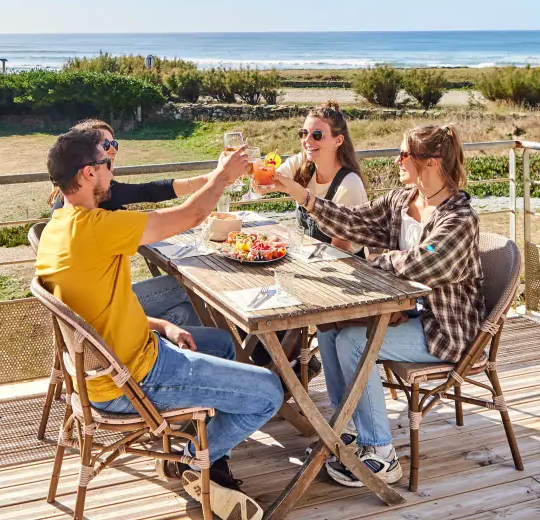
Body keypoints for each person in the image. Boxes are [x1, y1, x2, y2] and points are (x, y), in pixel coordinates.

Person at [36, 127, 284, 507]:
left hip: (117, 367)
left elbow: (95, 314)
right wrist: (222, 176)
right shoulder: (97, 227)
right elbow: (194, 213)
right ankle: (192, 460)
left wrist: (161, 324)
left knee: (220, 342)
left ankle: (211, 455)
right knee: (268, 391)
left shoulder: (57, 228)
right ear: (88, 173)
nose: (111, 173)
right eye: (106, 164)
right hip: (134, 382)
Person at [299, 123, 485, 487]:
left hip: (446, 331)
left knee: (355, 342)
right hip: (410, 313)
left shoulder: (460, 219)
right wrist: (304, 198)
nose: (397, 160)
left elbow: (423, 261)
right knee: (331, 328)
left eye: (403, 154)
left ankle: (381, 454)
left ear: (429, 162)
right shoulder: (403, 201)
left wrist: (374, 263)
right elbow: (355, 221)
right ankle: (347, 426)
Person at [44, 118, 203, 328]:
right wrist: (215, 179)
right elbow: (149, 192)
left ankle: (182, 347)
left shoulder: (68, 202)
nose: (112, 149)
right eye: (105, 145)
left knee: (183, 312)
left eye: (114, 143)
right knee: (186, 287)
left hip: (91, 303)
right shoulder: (95, 198)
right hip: (102, 307)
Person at [266, 102, 366, 252]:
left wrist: (297, 193)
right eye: (304, 133)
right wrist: (259, 177)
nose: (307, 140)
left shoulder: (349, 185)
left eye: (317, 135)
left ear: (338, 140)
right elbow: (268, 183)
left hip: (344, 266)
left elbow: (340, 250)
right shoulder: (302, 162)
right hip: (310, 256)